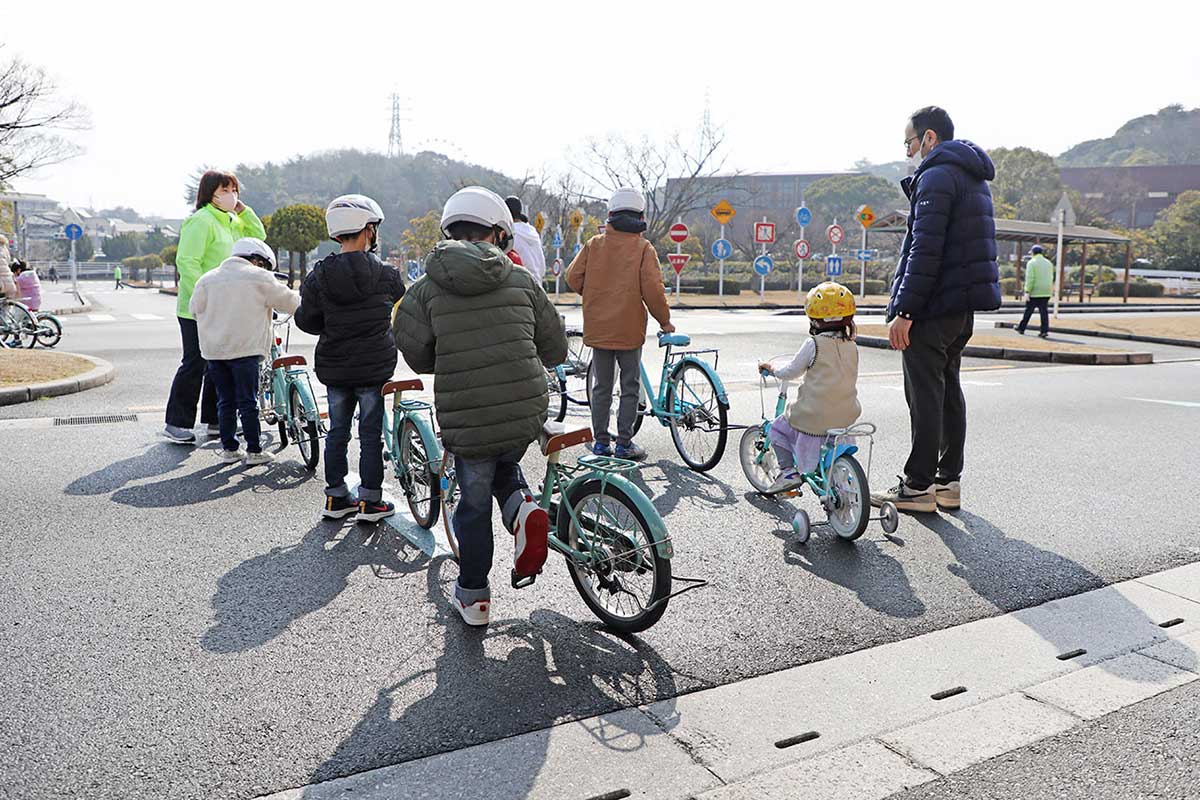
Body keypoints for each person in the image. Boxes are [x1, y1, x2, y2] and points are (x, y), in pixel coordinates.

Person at [393, 186, 567, 627]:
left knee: (472, 506)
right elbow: (556, 348)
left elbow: (416, 353)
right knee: (505, 465)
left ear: (449, 231)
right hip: (524, 407)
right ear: (501, 234)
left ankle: (474, 597)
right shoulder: (523, 279)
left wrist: (450, 357)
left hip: (467, 414)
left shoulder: (425, 289)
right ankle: (523, 510)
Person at [873, 106, 1001, 514]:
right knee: (948, 391)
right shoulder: (972, 176)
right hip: (961, 309)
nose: (909, 152)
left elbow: (924, 250)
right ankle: (948, 484)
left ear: (929, 138)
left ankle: (917, 487)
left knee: (925, 395)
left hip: (931, 307)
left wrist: (904, 310)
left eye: (910, 142)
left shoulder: (936, 176)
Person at [295, 195, 405, 522]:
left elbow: (308, 321)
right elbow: (396, 297)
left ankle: (336, 497)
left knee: (337, 433)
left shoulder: (319, 276)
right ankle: (371, 502)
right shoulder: (386, 273)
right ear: (367, 230)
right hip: (374, 368)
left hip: (336, 367)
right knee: (370, 434)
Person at [565, 187, 674, 461]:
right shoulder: (643, 248)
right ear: (640, 216)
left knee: (601, 386)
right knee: (629, 385)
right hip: (629, 328)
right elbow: (653, 290)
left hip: (599, 328)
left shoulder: (594, 244)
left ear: (611, 214)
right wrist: (665, 321)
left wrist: (595, 294)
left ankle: (601, 442)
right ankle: (624, 444)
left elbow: (572, 277)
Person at [163, 170, 266, 445]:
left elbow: (259, 236)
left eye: (235, 190)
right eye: (226, 190)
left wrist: (242, 209)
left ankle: (215, 420)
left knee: (218, 360)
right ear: (211, 193)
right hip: (197, 307)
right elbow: (187, 262)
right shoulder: (201, 221)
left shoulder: (232, 221)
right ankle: (177, 422)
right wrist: (203, 296)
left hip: (225, 305)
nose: (232, 195)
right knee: (195, 362)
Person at [190, 238, 300, 466]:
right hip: (245, 349)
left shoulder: (206, 280)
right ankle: (254, 450)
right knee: (248, 401)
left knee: (225, 400)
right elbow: (290, 302)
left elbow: (194, 311)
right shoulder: (259, 277)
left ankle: (230, 448)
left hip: (215, 352)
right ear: (257, 260)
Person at [758, 282, 861, 494]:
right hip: (846, 416)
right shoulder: (852, 345)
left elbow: (791, 371)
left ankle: (787, 472)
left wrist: (772, 369)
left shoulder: (813, 343)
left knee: (778, 427)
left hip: (814, 416)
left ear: (813, 318)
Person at [505, 196, 547, 283]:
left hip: (520, 285)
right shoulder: (532, 232)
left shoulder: (510, 235)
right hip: (537, 284)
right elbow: (542, 267)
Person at [1017, 245, 1054, 338]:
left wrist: (1027, 291)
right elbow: (1051, 277)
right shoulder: (1049, 263)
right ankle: (1044, 330)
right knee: (1044, 312)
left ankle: (1021, 328)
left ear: (1033, 253)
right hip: (1046, 291)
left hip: (1035, 291)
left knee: (1028, 311)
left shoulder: (1032, 263)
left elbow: (1030, 278)